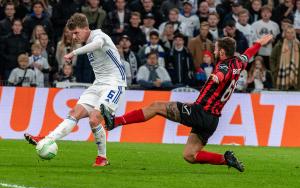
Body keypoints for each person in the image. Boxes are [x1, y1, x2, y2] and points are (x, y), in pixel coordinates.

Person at [101, 34, 274, 172]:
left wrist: (215, 78)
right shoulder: (239, 62)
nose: (214, 52)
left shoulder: (223, 67)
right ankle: (225, 159)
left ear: (222, 53)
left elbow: (221, 74)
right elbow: (249, 53)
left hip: (200, 112)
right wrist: (259, 44)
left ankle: (115, 122)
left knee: (155, 107)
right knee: (190, 155)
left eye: (215, 49)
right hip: (212, 121)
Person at [24, 13, 127, 167]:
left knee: (94, 118)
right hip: (98, 84)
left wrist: (73, 52)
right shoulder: (86, 41)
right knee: (74, 113)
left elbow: (97, 45)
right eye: (72, 34)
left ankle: (102, 158)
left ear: (86, 28)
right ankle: (47, 139)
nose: (74, 37)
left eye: (76, 32)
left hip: (114, 84)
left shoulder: (99, 36)